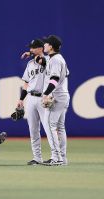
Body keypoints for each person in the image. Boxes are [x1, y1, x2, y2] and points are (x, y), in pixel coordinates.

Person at [17, 39, 48, 165]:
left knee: (49, 128)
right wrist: (20, 99)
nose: (31, 49)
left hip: (44, 98)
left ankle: (57, 157)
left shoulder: (49, 61)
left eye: (33, 48)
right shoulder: (30, 64)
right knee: (33, 130)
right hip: (31, 97)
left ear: (41, 48)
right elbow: (26, 83)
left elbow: (43, 62)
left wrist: (32, 54)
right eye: (30, 47)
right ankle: (37, 158)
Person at [41, 35, 70, 166]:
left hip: (57, 96)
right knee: (60, 127)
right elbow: (66, 74)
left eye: (46, 43)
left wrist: (46, 93)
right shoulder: (58, 59)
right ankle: (62, 158)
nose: (44, 45)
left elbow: (54, 80)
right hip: (63, 95)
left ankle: (56, 157)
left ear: (51, 46)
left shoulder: (55, 60)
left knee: (50, 125)